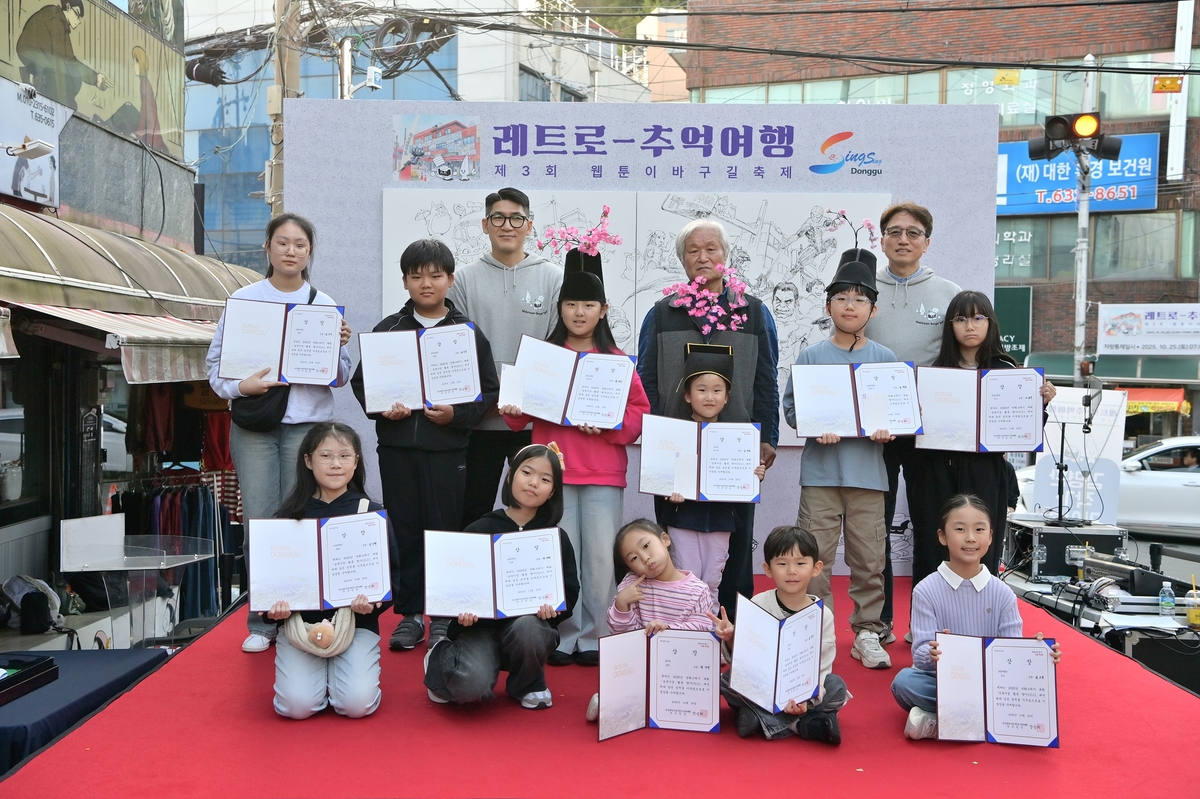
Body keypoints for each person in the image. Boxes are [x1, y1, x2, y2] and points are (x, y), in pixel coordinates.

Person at [205, 213, 353, 653]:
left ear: (310, 252)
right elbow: (215, 370)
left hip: (306, 429)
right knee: (259, 523)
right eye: (283, 242)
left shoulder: (322, 303)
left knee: (299, 522)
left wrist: (338, 347)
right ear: (267, 248)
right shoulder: (244, 300)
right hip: (254, 428)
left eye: (300, 244)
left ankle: (303, 615)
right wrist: (241, 387)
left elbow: (341, 377)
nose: (291, 251)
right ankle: (262, 620)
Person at [498, 250, 648, 666]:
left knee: (601, 557)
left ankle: (597, 635)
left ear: (603, 310)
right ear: (559, 308)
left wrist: (610, 426)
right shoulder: (543, 359)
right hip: (553, 473)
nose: (578, 313)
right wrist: (512, 410)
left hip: (602, 471)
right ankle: (562, 634)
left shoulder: (618, 362)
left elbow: (641, 415)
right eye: (570, 304)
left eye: (587, 305)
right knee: (559, 554)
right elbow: (519, 417)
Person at [350, 238, 499, 652]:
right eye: (416, 276)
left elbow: (488, 391)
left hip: (448, 452)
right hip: (398, 451)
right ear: (405, 282)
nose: (426, 283)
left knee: (445, 532)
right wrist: (384, 409)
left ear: (451, 280)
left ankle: (445, 616)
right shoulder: (388, 330)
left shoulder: (466, 333)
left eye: (435, 276)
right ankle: (411, 615)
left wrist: (457, 416)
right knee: (406, 531)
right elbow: (363, 384)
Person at [638, 218, 779, 620]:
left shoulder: (752, 311)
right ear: (682, 261)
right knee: (675, 543)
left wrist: (767, 436)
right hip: (675, 451)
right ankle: (678, 625)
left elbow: (766, 376)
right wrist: (653, 443)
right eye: (693, 251)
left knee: (734, 544)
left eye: (711, 248)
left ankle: (733, 631)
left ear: (726, 255)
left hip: (733, 451)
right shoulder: (662, 313)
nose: (703, 257)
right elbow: (646, 380)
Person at [782, 248, 895, 670]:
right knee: (817, 556)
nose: (851, 306)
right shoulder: (811, 356)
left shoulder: (884, 359)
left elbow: (898, 411)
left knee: (870, 557)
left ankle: (867, 631)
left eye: (860, 299)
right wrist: (814, 425)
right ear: (828, 305)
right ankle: (818, 627)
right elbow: (793, 409)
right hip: (821, 473)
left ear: (873, 308)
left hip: (868, 474)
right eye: (842, 298)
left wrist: (888, 428)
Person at [906, 291, 1056, 585]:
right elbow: (915, 440)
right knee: (932, 547)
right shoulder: (935, 373)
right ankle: (926, 623)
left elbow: (1023, 433)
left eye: (978, 318)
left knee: (980, 549)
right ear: (950, 325)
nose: (970, 326)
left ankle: (979, 623)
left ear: (990, 323)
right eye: (960, 319)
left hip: (985, 472)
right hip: (937, 473)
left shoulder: (1008, 372)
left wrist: (1041, 404)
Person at [863, 203, 961, 644]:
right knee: (874, 527)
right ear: (881, 239)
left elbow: (972, 351)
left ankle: (927, 623)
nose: (904, 239)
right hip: (873, 430)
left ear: (927, 241)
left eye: (914, 233)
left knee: (930, 524)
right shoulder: (863, 289)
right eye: (895, 231)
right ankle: (878, 621)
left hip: (931, 432)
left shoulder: (948, 292)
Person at [890, 494, 1062, 740]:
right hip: (945, 681)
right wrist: (933, 652)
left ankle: (944, 720)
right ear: (942, 536)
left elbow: (1011, 651)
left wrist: (1037, 654)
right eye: (959, 529)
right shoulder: (926, 590)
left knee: (1032, 689)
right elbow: (919, 655)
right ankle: (985, 719)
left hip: (992, 683)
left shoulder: (1002, 593)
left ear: (991, 536)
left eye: (979, 529)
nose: (970, 538)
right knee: (905, 682)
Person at [423, 444, 579, 710]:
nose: (533, 483)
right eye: (526, 472)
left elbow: (570, 590)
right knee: (468, 690)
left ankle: (528, 683)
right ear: (510, 476)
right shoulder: (480, 528)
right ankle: (440, 656)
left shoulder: (554, 537)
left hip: (526, 628)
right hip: (479, 630)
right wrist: (460, 610)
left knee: (529, 629)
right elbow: (455, 584)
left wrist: (554, 609)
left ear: (553, 491)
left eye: (545, 479)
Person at [447, 188, 563, 529]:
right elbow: (459, 346)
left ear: (529, 225)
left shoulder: (553, 278)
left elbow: (557, 347)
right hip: (479, 420)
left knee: (537, 511)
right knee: (474, 509)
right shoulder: (464, 279)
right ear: (485, 225)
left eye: (516, 218)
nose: (507, 225)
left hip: (533, 421)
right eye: (498, 218)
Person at [262, 422, 392, 719]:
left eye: (345, 456)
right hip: (299, 626)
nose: (336, 464)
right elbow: (269, 580)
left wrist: (371, 604)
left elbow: (390, 576)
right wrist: (273, 610)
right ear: (307, 460)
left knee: (356, 705)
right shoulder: (288, 517)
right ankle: (318, 678)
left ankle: (343, 676)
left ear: (356, 461)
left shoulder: (370, 513)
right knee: (296, 706)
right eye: (326, 455)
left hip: (356, 624)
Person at [711, 525, 847, 745]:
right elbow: (744, 659)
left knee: (836, 686)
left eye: (800, 563)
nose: (791, 571)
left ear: (816, 568)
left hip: (801, 691)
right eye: (782, 564)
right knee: (727, 681)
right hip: (762, 686)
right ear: (768, 569)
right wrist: (731, 637)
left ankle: (764, 720)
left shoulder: (823, 615)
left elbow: (823, 665)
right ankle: (803, 725)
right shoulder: (758, 603)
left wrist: (806, 700)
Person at [656, 343, 766, 609]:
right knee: (686, 577)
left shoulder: (739, 439)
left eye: (717, 391)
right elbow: (659, 474)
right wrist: (668, 489)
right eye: (701, 390)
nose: (709, 397)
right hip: (682, 517)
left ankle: (710, 637)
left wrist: (754, 474)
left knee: (713, 579)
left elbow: (745, 479)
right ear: (687, 396)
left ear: (727, 397)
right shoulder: (673, 435)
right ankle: (685, 635)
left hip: (720, 520)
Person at [584, 519, 714, 721]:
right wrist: (621, 605)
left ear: (665, 539)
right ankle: (613, 700)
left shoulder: (697, 590)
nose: (645, 558)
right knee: (628, 677)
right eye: (634, 558)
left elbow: (704, 628)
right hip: (642, 666)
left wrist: (670, 628)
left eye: (646, 546)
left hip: (681, 670)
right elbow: (622, 635)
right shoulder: (632, 585)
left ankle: (625, 703)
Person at [15, 0, 110, 110]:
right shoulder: (56, 20)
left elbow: (69, 59)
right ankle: (38, 83)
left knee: (71, 78)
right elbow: (63, 59)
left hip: (36, 54)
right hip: (32, 53)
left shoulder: (58, 19)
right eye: (77, 15)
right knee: (66, 80)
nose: (78, 21)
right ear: (68, 7)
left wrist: (95, 78)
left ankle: (35, 78)